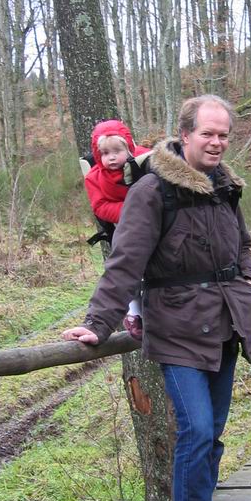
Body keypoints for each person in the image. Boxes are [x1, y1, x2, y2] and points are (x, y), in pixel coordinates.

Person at [63, 95, 251, 501]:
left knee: (212, 434)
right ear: (186, 134)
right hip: (175, 327)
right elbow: (125, 260)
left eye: (223, 135)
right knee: (196, 432)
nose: (216, 142)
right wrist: (98, 322)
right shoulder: (153, 189)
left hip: (225, 323)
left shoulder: (225, 187)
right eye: (207, 134)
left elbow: (242, 244)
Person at [82, 118, 148, 339]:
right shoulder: (95, 177)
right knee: (129, 267)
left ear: (128, 148)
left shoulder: (145, 161)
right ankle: (133, 313)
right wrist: (131, 212)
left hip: (154, 223)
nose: (111, 157)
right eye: (105, 153)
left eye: (117, 151)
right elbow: (100, 206)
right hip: (124, 226)